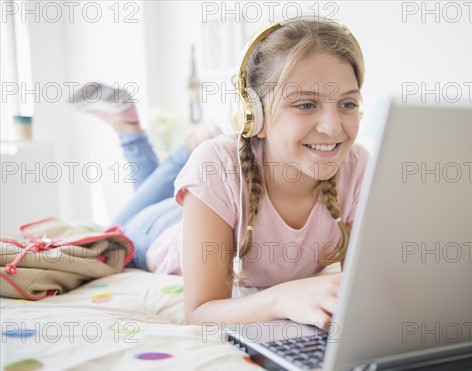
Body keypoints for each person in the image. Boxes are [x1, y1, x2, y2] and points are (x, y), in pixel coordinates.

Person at [74, 19, 368, 330]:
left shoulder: (357, 166)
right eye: (306, 104)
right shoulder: (215, 164)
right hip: (157, 233)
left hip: (212, 204)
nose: (333, 127)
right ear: (252, 116)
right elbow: (200, 312)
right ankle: (131, 131)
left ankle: (161, 140)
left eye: (347, 103)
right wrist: (282, 298)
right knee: (112, 233)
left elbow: (364, 292)